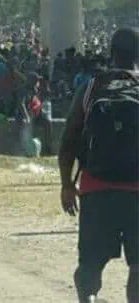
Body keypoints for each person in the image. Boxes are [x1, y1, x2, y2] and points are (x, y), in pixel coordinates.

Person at [58, 27, 139, 303]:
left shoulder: (92, 87)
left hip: (96, 188)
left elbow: (69, 138)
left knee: (91, 264)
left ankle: (89, 299)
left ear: (111, 53)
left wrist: (67, 185)